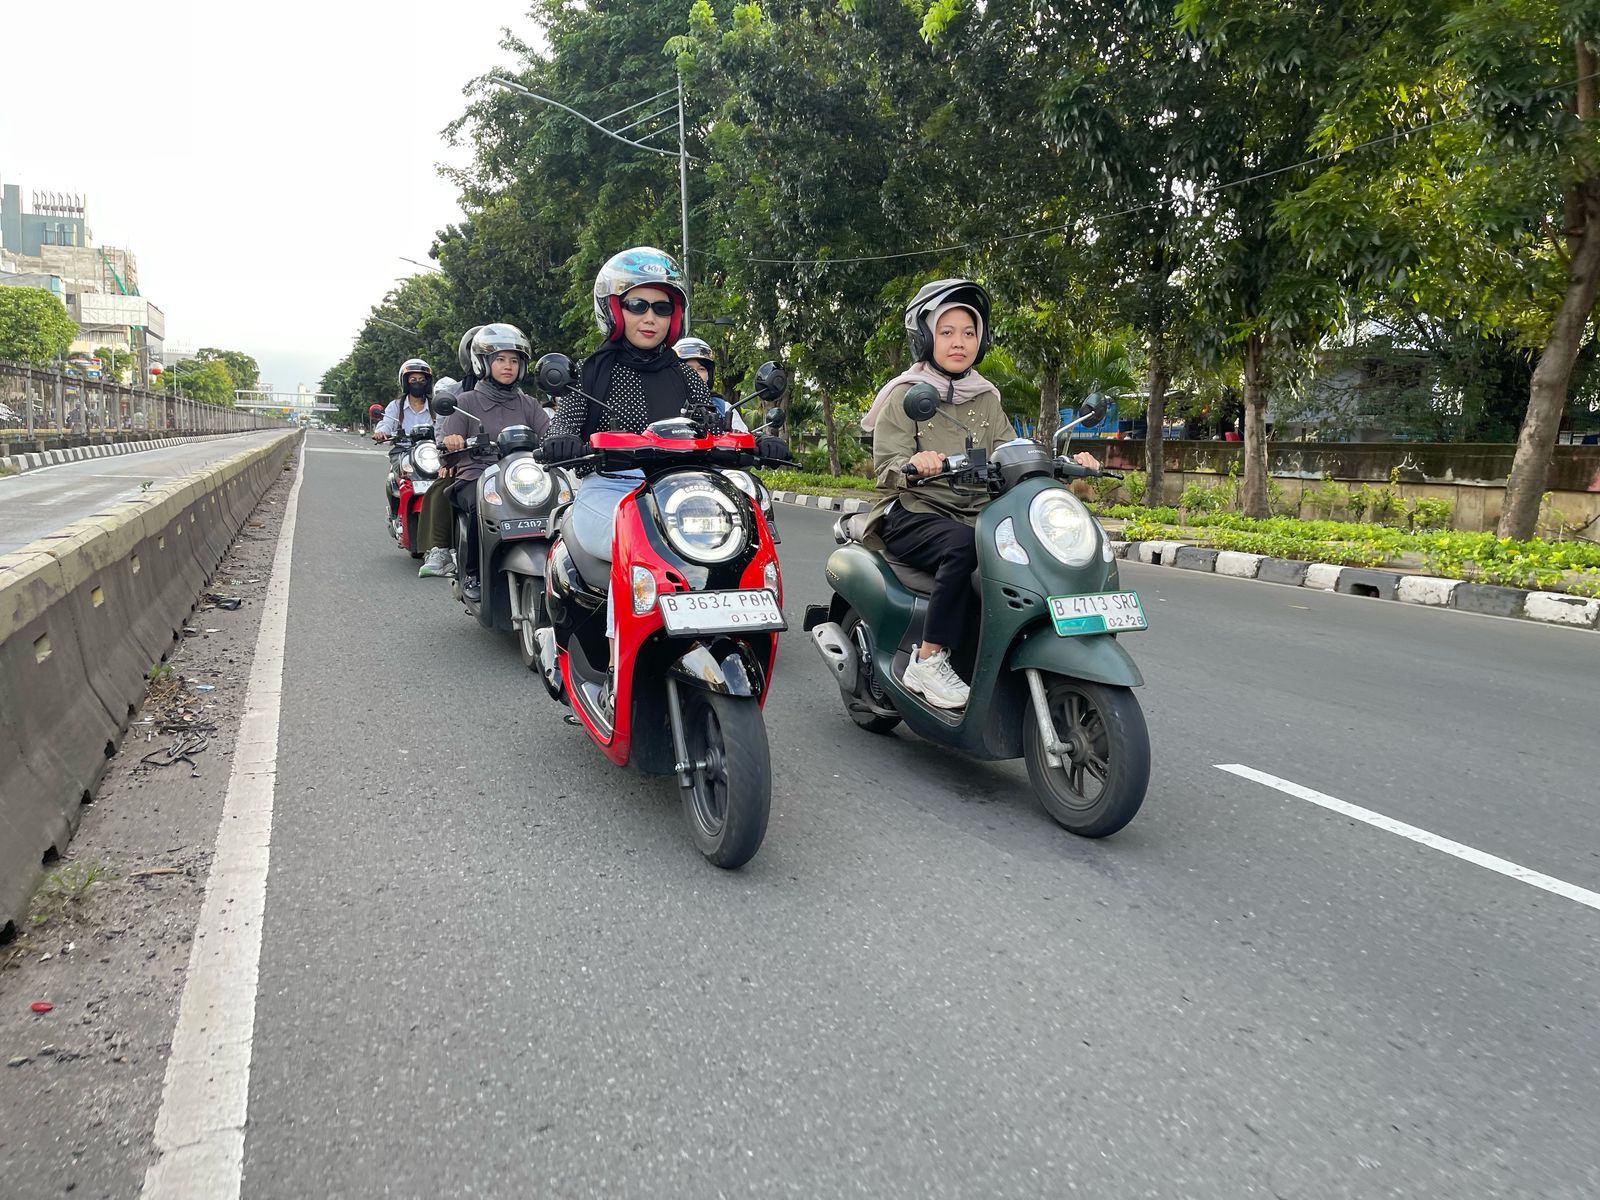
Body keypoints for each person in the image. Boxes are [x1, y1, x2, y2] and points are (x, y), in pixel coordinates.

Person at [539, 248, 789, 710]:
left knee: (741, 541)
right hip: (614, 486)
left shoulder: (684, 375)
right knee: (626, 550)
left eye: (661, 307)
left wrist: (757, 441)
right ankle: (616, 673)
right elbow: (564, 424)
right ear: (615, 310)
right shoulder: (594, 371)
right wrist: (561, 441)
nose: (649, 317)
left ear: (674, 316)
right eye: (637, 305)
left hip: (683, 490)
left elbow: (716, 427)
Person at [861, 278, 1097, 710]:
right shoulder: (905, 395)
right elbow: (886, 468)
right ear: (926, 336)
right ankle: (927, 659)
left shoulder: (987, 398)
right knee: (966, 547)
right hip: (912, 511)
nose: (959, 342)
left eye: (968, 332)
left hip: (975, 513)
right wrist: (915, 465)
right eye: (946, 332)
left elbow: (1011, 453)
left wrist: (1068, 464)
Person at [425, 324, 548, 599]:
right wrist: (452, 441)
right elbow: (445, 448)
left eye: (514, 360)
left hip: (522, 478)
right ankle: (473, 573)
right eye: (501, 359)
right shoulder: (463, 402)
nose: (508, 366)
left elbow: (549, 432)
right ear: (483, 363)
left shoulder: (529, 404)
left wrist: (561, 440)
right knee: (479, 508)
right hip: (477, 476)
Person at [673, 336, 747, 432]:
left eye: (701, 369)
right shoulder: (662, 401)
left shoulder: (723, 407)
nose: (694, 374)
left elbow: (742, 441)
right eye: (688, 368)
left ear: (709, 376)